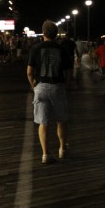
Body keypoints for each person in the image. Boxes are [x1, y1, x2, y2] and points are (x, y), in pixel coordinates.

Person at [27, 20, 72, 163]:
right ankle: (62, 149)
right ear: (56, 33)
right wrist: (66, 84)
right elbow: (69, 71)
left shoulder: (36, 48)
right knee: (61, 120)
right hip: (57, 86)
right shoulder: (62, 49)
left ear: (44, 33)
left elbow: (29, 72)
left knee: (43, 122)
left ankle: (45, 154)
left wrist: (33, 85)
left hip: (41, 87)